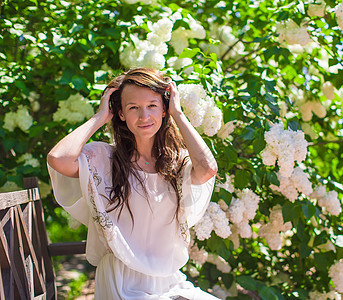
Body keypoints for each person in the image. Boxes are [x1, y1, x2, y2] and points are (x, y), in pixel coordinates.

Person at [47, 68, 219, 299]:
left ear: (164, 109)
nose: (144, 116)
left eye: (152, 105)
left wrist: (178, 113)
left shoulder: (176, 163)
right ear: (120, 113)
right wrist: (100, 117)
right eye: (133, 108)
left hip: (168, 281)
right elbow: (58, 159)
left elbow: (208, 169)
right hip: (122, 280)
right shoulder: (104, 159)